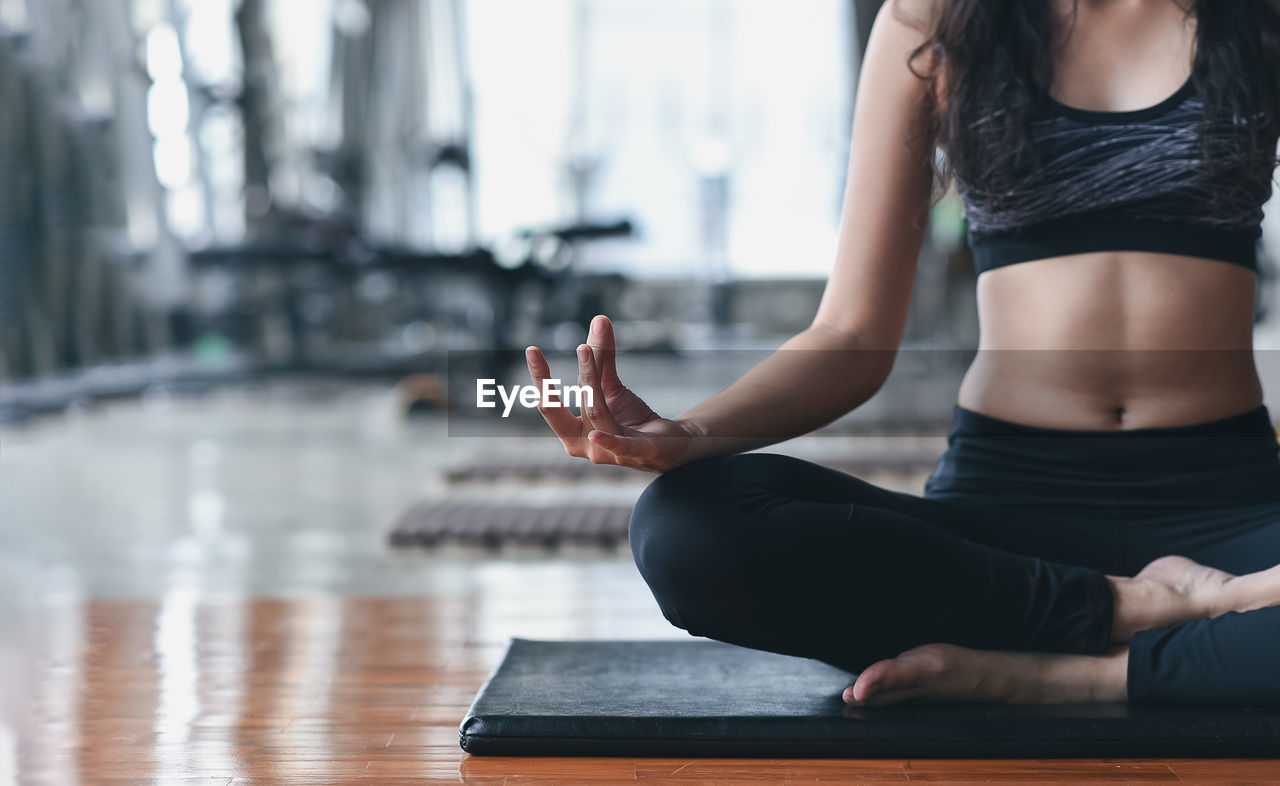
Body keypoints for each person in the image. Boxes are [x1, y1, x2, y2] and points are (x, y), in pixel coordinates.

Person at [524, 0, 1280, 706]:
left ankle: (1052, 675)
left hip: (1228, 502)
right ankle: (1153, 615)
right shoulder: (931, 19)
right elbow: (852, 336)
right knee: (688, 530)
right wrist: (689, 435)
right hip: (1008, 510)